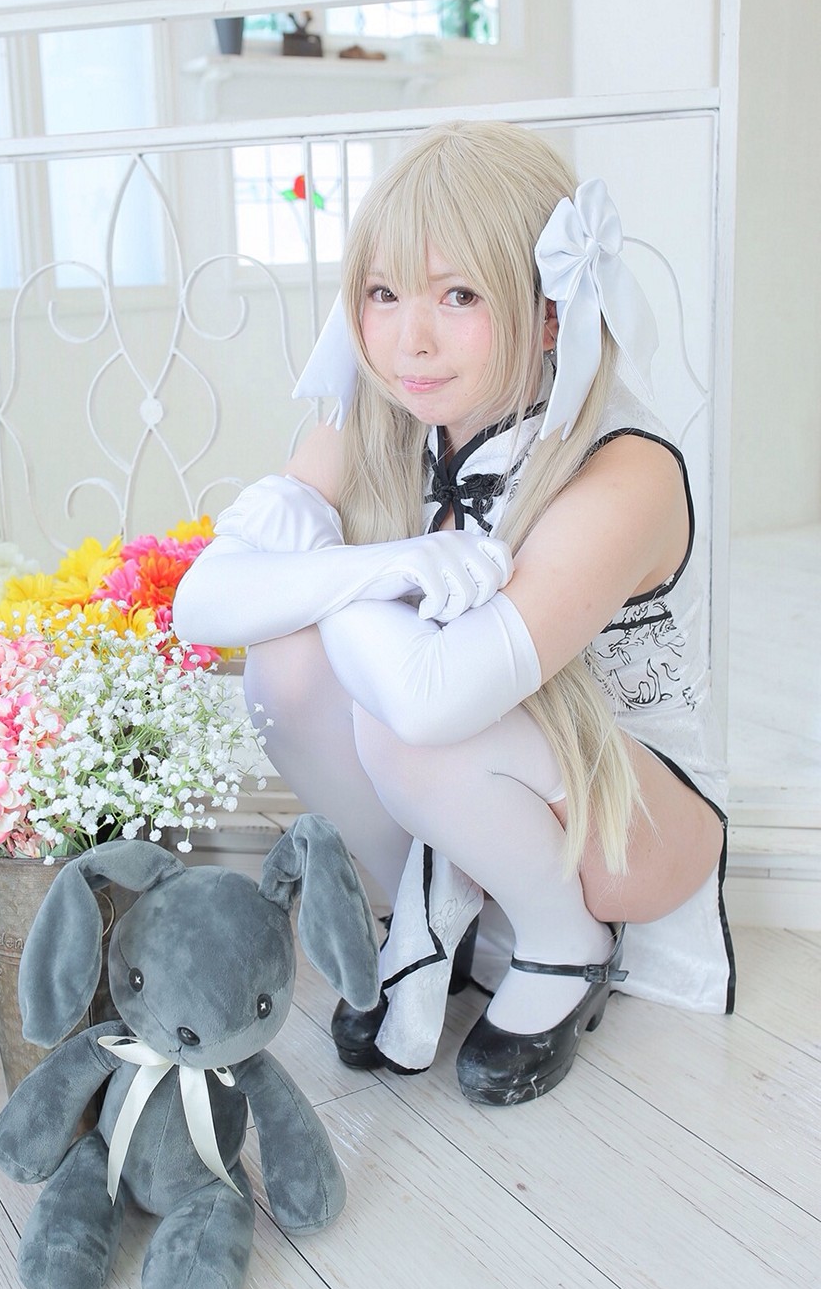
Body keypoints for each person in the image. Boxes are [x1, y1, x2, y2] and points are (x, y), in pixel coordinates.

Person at [173, 121, 734, 1106]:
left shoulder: (622, 469)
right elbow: (203, 605)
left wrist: (321, 565)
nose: (410, 340)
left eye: (460, 295)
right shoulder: (380, 424)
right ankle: (426, 915)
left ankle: (565, 942)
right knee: (287, 669)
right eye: (384, 293)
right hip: (469, 779)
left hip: (627, 825)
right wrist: (385, 563)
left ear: (550, 313)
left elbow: (432, 701)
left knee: (407, 722)